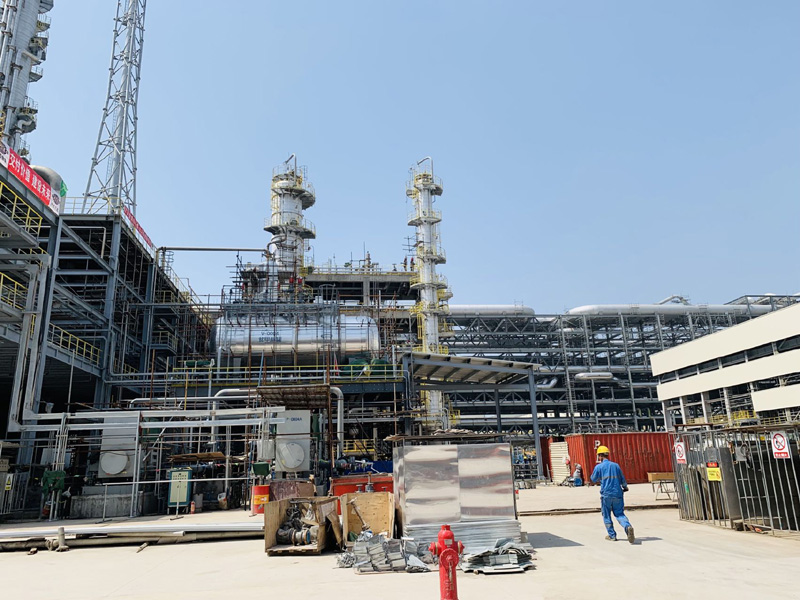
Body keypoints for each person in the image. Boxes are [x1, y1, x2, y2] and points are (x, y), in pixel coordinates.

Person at [590, 445, 635, 544]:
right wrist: (625, 487)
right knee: (619, 514)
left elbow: (593, 479)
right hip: (617, 493)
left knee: (606, 515)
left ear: (600, 456)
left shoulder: (599, 467)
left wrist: (600, 477)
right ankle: (627, 526)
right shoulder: (616, 466)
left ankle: (612, 535)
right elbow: (622, 479)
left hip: (606, 494)